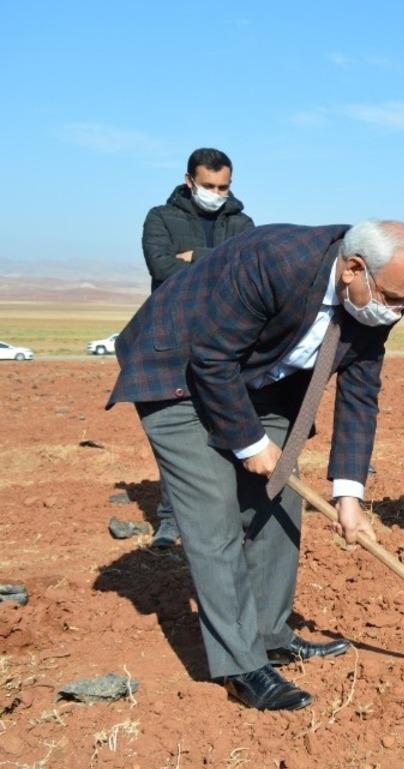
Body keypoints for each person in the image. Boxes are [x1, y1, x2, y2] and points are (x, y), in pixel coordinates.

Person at [108, 220, 404, 711]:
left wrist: (349, 496)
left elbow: (360, 397)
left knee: (281, 496)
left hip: (258, 379)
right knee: (213, 512)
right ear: (353, 269)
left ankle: (269, 634)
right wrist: (250, 441)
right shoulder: (278, 260)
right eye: (391, 297)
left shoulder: (372, 311)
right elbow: (211, 359)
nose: (397, 312)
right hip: (177, 371)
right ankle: (241, 665)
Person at [140, 147, 255, 546]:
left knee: (226, 419)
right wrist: (218, 262)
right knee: (178, 430)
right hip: (174, 336)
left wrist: (197, 257)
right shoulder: (161, 218)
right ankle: (171, 518)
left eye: (224, 186)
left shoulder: (242, 222)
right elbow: (162, 269)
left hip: (226, 338)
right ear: (189, 181)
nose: (217, 192)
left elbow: (247, 273)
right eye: (209, 185)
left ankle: (233, 512)